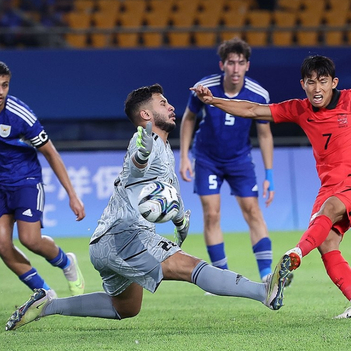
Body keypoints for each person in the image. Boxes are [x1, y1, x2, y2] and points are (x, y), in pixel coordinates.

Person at [6, 83, 285, 331]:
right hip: (126, 235)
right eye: (163, 103)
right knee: (191, 267)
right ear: (146, 116)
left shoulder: (163, 147)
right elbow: (139, 165)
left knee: (126, 308)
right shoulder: (145, 141)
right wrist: (141, 154)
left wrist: (179, 222)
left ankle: (48, 305)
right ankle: (263, 291)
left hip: (106, 242)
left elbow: (163, 197)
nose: (171, 106)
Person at [191, 55, 351, 318]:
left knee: (327, 211)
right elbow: (252, 110)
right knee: (327, 245)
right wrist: (213, 101)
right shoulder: (299, 109)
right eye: (311, 82)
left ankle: (296, 253)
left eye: (323, 82)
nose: (317, 89)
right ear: (302, 84)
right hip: (328, 185)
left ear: (334, 83)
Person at [180, 38, 276, 282]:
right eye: (231, 63)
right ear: (222, 65)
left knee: (253, 211)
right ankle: (221, 278)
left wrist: (270, 176)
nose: (235, 68)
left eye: (240, 63)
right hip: (207, 158)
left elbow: (264, 134)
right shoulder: (204, 88)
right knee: (212, 215)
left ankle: (266, 276)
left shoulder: (258, 94)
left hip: (239, 160)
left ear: (247, 66)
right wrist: (183, 156)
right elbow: (189, 119)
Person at [0, 61, 85, 299]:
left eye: (5, 85)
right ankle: (45, 294)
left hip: (25, 180)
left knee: (30, 240)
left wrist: (72, 195)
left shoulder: (20, 115)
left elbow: (51, 152)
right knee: (2, 245)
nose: (0, 92)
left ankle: (67, 262)